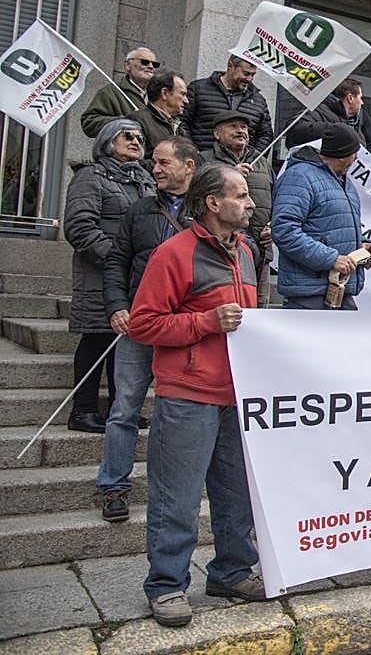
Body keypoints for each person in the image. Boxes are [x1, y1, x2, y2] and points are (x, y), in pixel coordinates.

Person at [127, 164, 263, 626]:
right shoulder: (173, 254)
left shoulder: (245, 253)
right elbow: (143, 324)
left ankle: (231, 571)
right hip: (187, 396)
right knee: (177, 498)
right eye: (241, 195)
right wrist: (205, 322)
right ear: (212, 202)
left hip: (235, 395)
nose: (250, 203)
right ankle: (166, 586)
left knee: (236, 494)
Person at [97, 138, 198, 522]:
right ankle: (114, 486)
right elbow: (116, 262)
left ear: (189, 166)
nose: (154, 168)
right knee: (124, 408)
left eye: (163, 162)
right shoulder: (139, 209)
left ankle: (171, 488)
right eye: (154, 162)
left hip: (184, 328)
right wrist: (117, 306)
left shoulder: (207, 210)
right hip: (140, 323)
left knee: (174, 412)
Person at [63, 119, 155, 433]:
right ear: (107, 140)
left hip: (135, 275)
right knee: (97, 338)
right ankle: (83, 410)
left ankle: (121, 408)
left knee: (125, 341)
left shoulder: (145, 178)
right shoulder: (91, 176)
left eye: (140, 136)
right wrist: (119, 259)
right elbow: (80, 227)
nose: (135, 140)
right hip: (99, 273)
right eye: (127, 136)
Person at [272, 125, 371, 310]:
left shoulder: (345, 182)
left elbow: (334, 226)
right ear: (343, 155)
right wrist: (331, 259)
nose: (356, 158)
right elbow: (284, 230)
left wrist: (362, 246)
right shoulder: (299, 177)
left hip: (340, 291)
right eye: (354, 153)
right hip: (309, 295)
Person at [207, 111, 275, 307]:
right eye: (233, 126)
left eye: (244, 127)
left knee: (257, 309)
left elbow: (277, 199)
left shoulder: (262, 162)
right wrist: (228, 176)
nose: (240, 131)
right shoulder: (206, 161)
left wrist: (273, 226)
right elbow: (197, 200)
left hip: (260, 252)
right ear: (217, 134)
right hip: (220, 251)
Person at [184, 56, 274, 155]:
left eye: (253, 74)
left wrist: (254, 159)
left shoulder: (259, 100)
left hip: (242, 166)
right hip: (203, 164)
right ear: (230, 66)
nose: (250, 79)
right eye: (246, 73)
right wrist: (191, 152)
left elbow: (265, 135)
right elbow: (182, 122)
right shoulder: (198, 89)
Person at [284, 78, 371, 157]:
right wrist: (337, 130)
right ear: (350, 98)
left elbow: (369, 149)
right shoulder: (320, 111)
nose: (362, 103)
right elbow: (295, 129)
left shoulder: (357, 122)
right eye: (360, 98)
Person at [80, 47, 158, 137]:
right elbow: (89, 124)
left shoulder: (158, 95)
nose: (151, 66)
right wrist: (125, 121)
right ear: (128, 65)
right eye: (145, 62)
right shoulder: (110, 92)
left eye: (155, 64)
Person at [130, 70, 188, 155]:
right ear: (164, 93)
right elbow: (134, 160)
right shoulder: (138, 121)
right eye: (183, 94)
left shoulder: (178, 126)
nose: (186, 101)